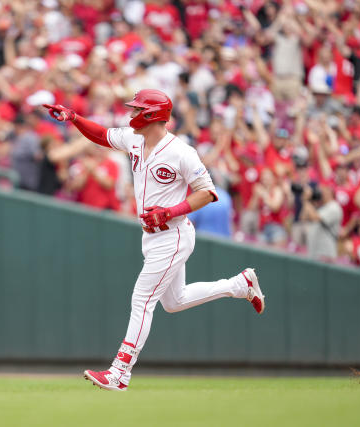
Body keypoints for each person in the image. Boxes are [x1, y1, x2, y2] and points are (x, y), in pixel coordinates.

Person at [43, 89, 265, 391]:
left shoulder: (182, 152)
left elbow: (207, 192)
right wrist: (74, 118)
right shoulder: (135, 140)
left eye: (137, 110)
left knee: (142, 299)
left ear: (152, 115)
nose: (131, 114)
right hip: (152, 237)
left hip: (173, 234)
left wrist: (170, 211)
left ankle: (120, 372)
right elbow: (102, 135)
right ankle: (239, 285)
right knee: (174, 301)